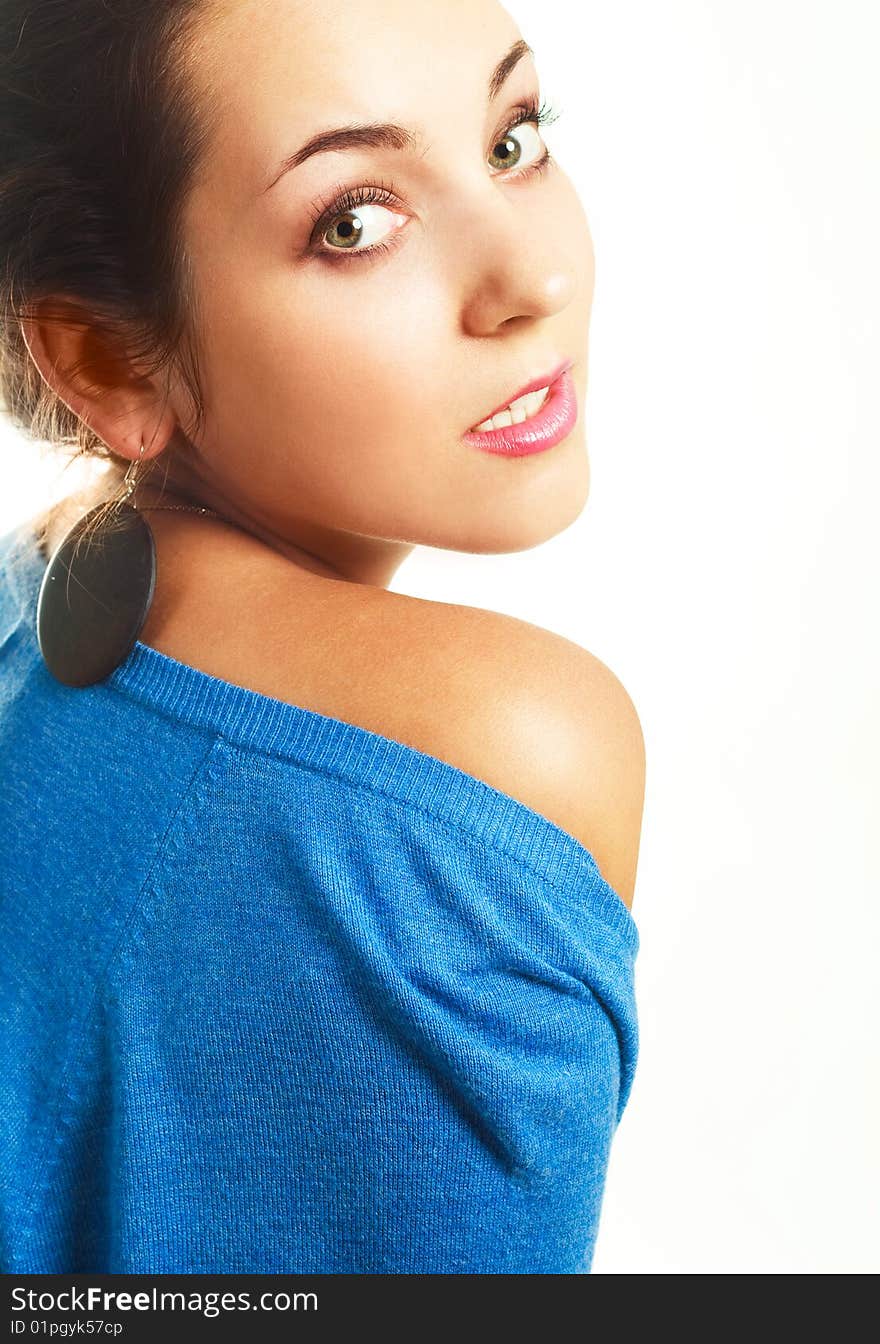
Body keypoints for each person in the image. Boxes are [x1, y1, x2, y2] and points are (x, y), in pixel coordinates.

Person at [0, 0, 646, 1273]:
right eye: (353, 221)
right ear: (108, 358)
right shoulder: (489, 752)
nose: (535, 282)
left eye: (514, 137)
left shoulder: (35, 595)